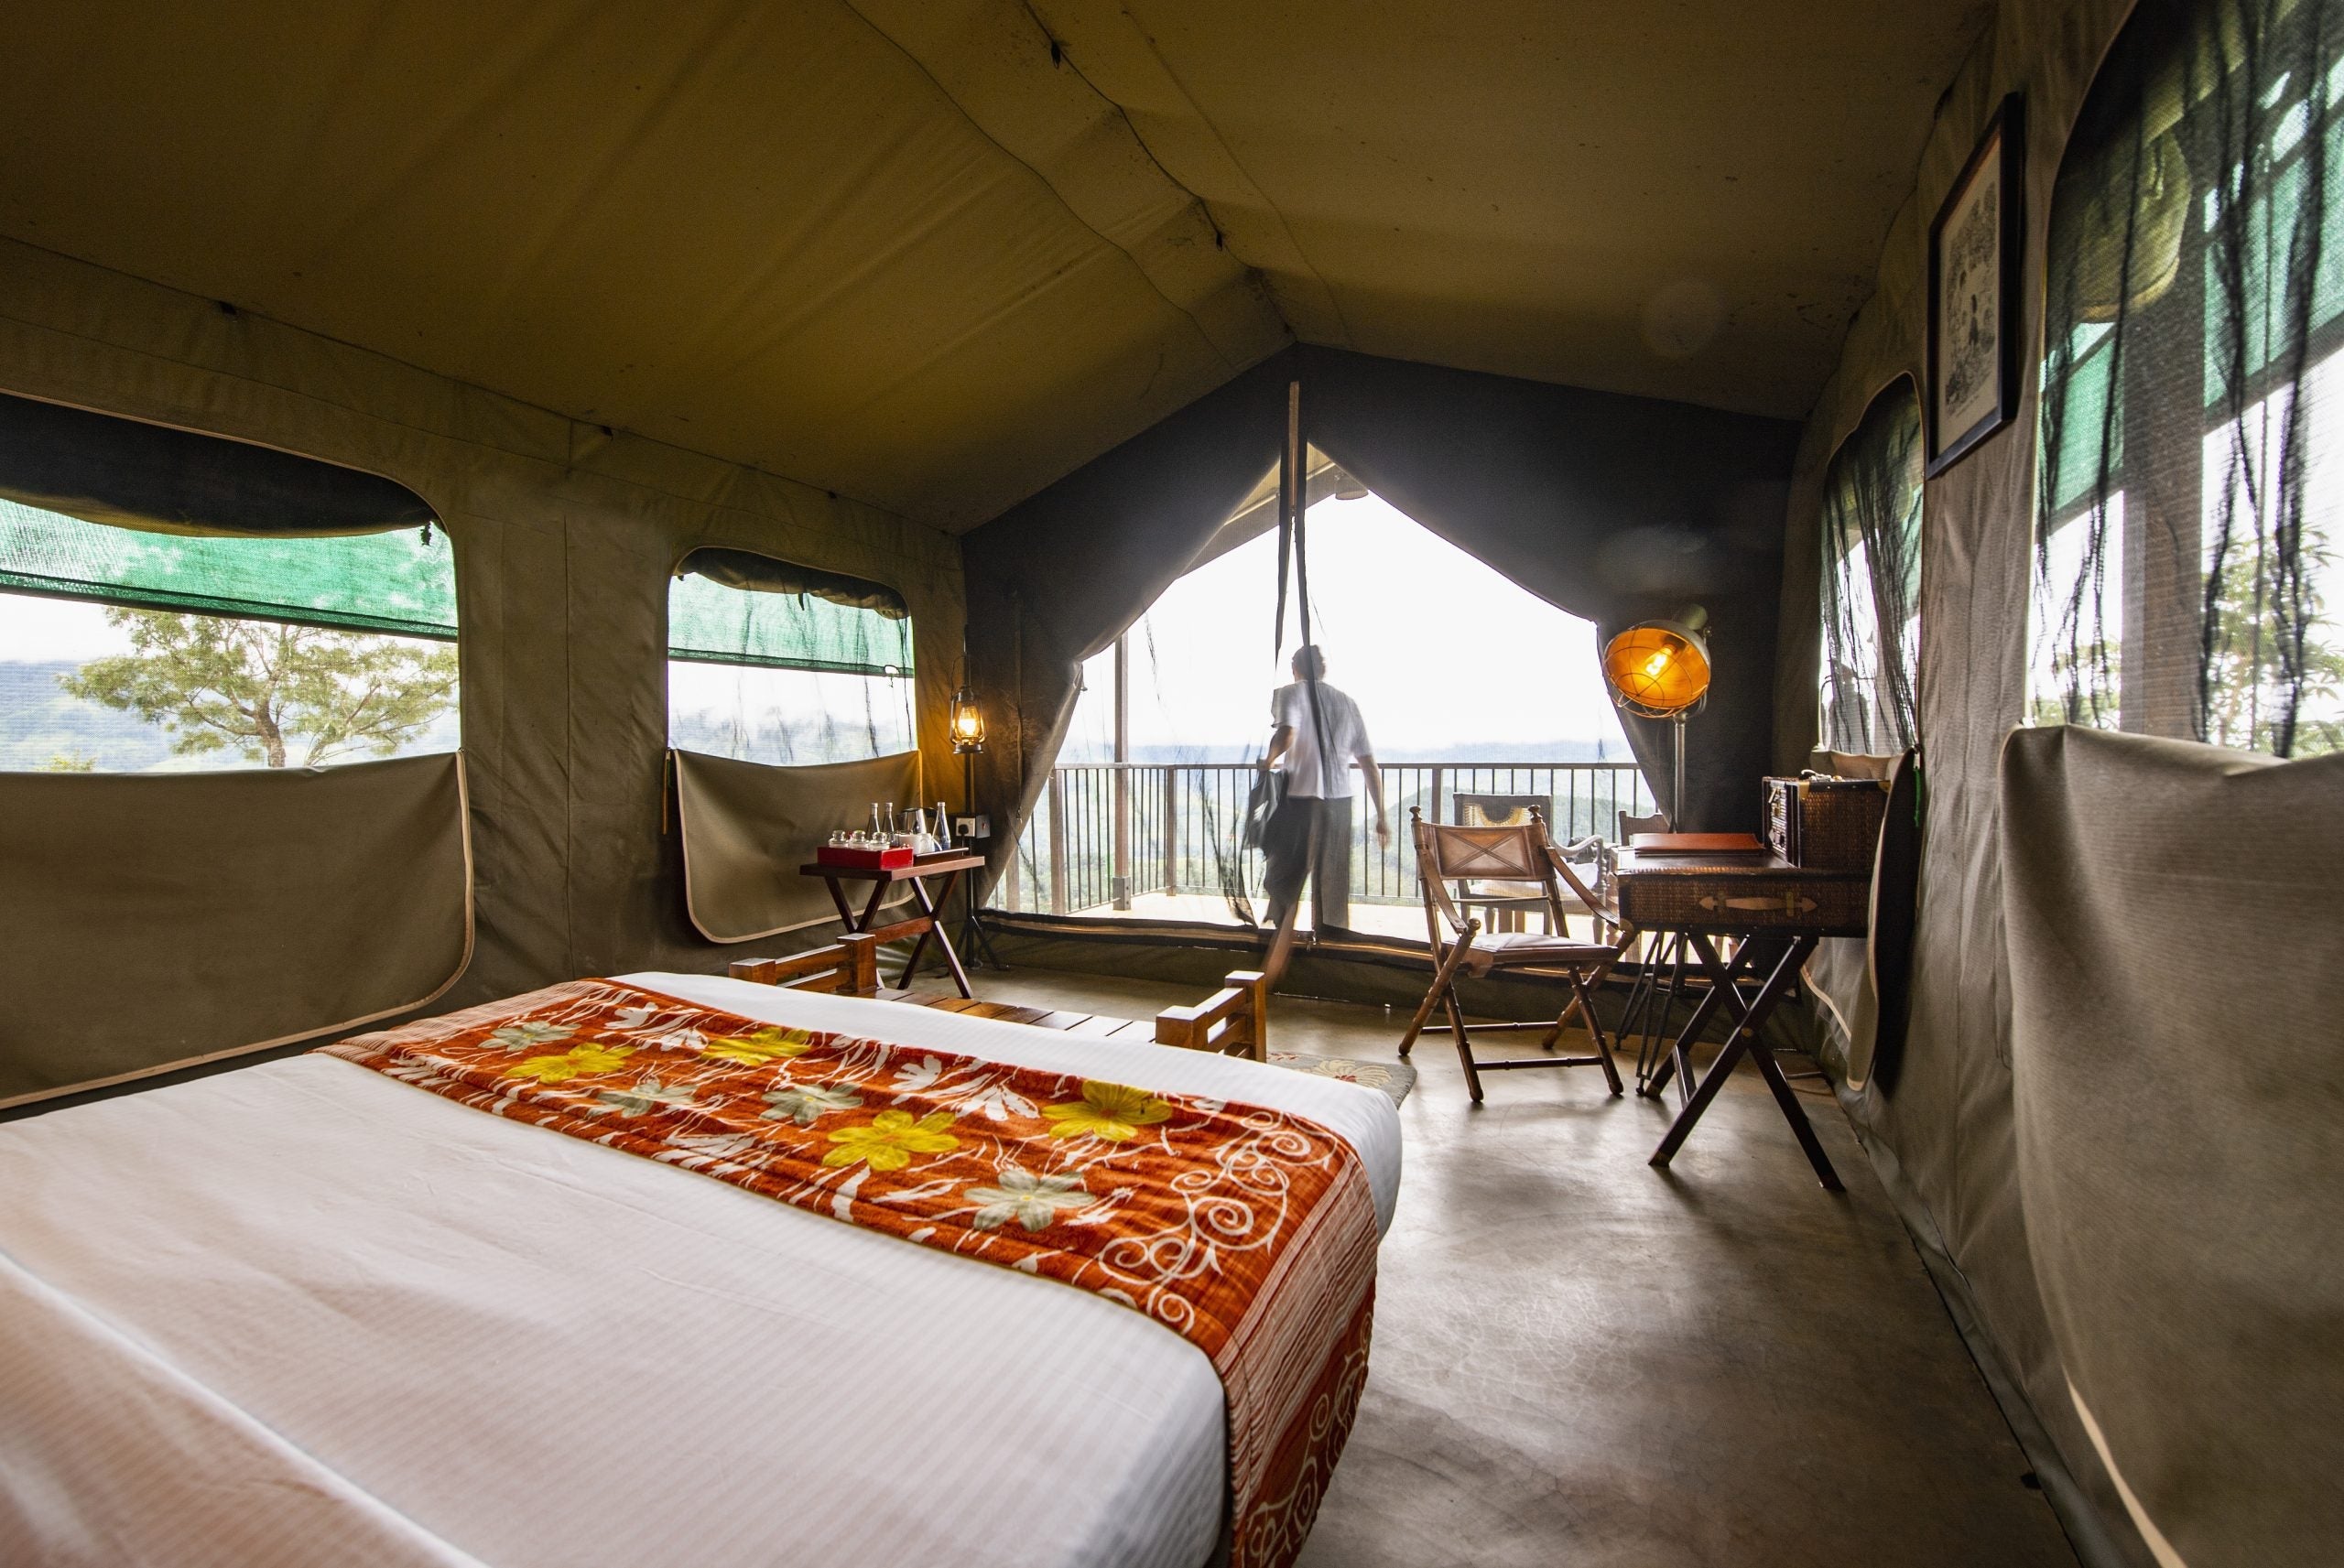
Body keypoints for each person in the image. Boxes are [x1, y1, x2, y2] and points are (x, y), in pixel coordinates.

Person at [1259, 645, 1387, 948]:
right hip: (1340, 800)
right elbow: (1368, 762)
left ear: (1295, 668)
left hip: (1300, 798)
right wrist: (1381, 815)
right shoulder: (1347, 703)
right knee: (1333, 878)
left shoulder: (1288, 693)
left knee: (1283, 872)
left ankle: (1281, 939)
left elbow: (1287, 733)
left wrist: (1268, 760)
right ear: (1323, 669)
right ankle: (1330, 943)